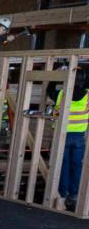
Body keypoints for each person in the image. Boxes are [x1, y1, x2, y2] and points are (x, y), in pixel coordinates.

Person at [49, 71, 88, 211]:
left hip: (62, 135)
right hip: (78, 136)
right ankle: (74, 194)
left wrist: (57, 74)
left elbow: (49, 89)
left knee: (63, 165)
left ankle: (63, 193)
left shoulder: (61, 94)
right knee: (77, 165)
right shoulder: (87, 95)